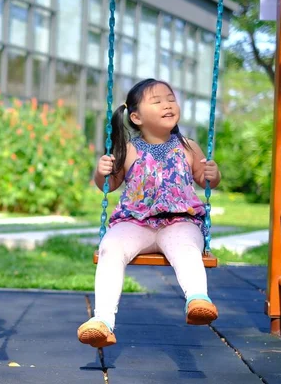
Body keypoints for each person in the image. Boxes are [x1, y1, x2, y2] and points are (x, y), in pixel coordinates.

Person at [77, 78, 221, 348]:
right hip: (135, 222)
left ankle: (198, 299)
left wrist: (213, 173)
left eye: (170, 99)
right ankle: (102, 321)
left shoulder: (188, 147)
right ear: (136, 116)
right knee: (110, 247)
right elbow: (109, 185)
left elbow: (205, 178)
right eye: (157, 101)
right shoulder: (128, 149)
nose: (167, 105)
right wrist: (101, 172)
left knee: (187, 248)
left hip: (179, 220)